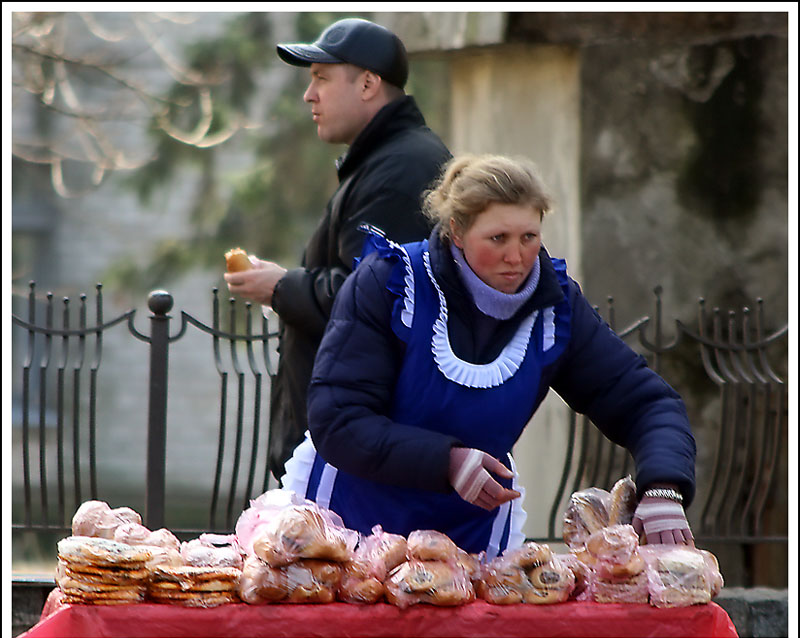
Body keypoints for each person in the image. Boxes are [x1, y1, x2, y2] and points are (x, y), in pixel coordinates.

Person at [281, 153, 697, 559]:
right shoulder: (390, 282)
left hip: (471, 537)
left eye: (529, 238)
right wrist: (446, 462)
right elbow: (338, 419)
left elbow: (645, 402)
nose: (516, 257)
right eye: (498, 239)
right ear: (457, 232)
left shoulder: (555, 307)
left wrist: (662, 487)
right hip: (345, 528)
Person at [224, 18, 451, 480]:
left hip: (357, 452)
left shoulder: (400, 170)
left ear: (368, 83)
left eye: (321, 78)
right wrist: (284, 284)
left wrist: (282, 288)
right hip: (353, 445)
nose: (309, 95)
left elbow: (376, 297)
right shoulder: (387, 160)